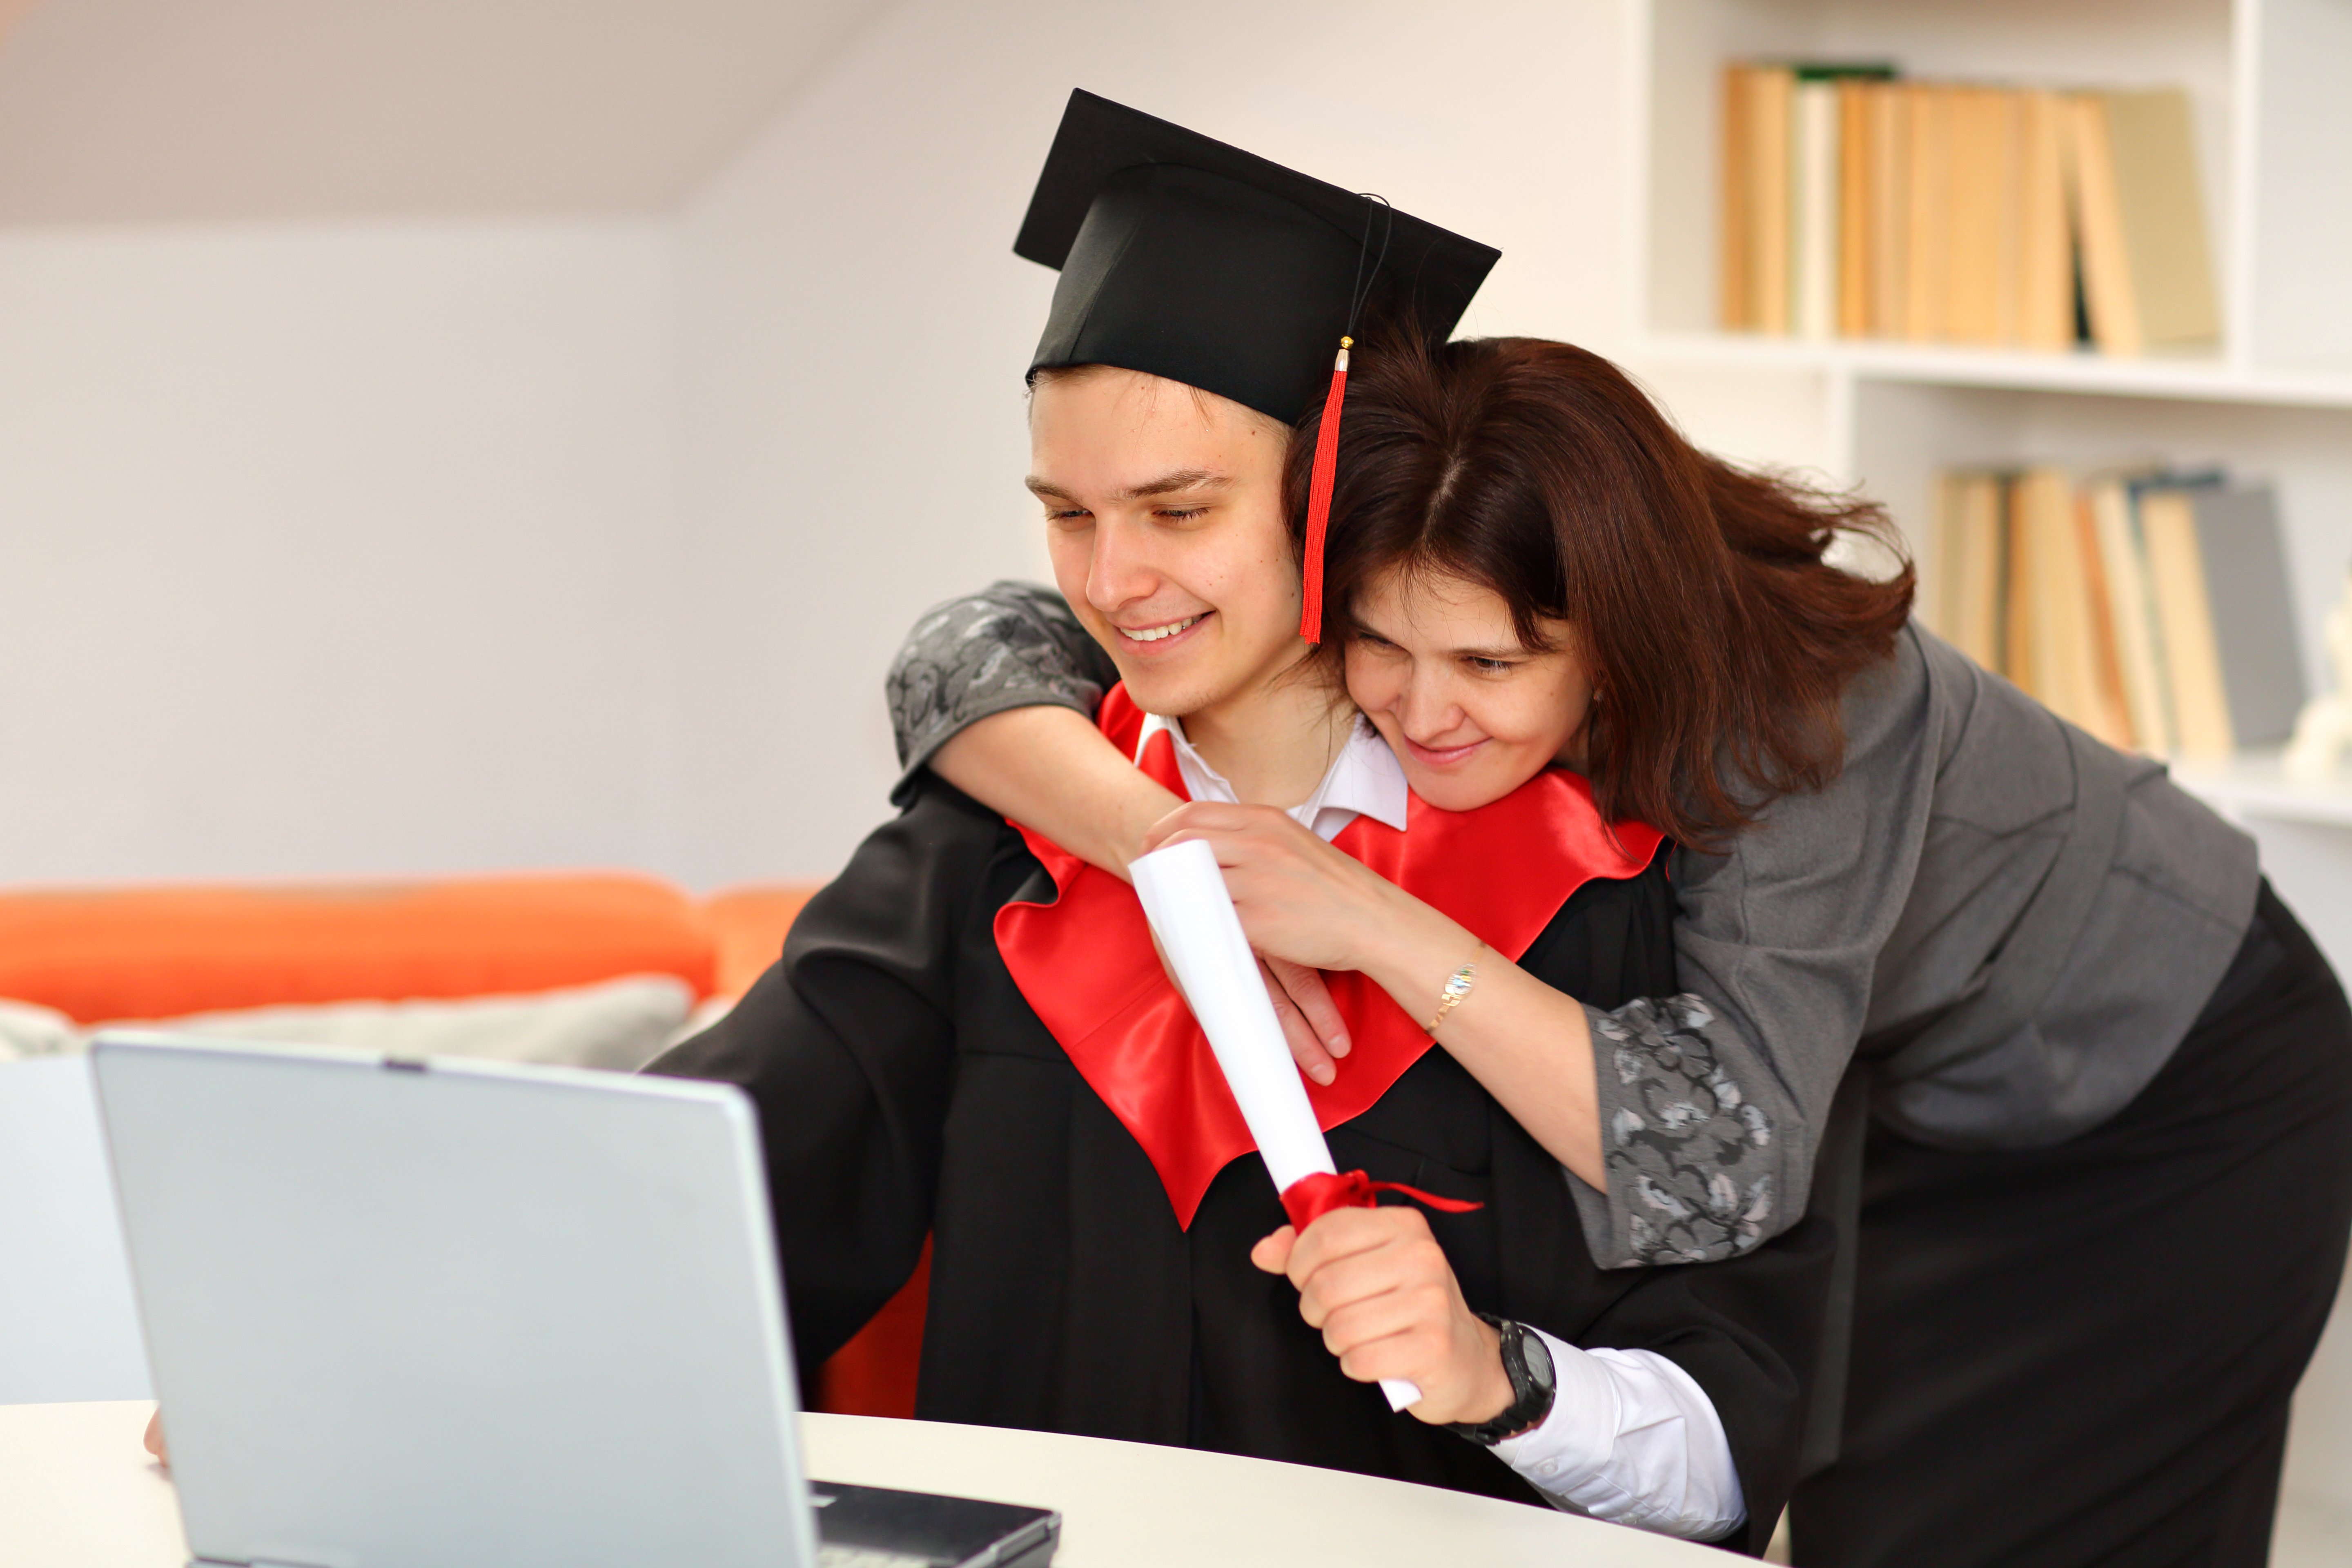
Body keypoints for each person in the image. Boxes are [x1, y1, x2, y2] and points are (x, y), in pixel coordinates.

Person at [884, 329, 2352, 1562]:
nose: (1417, 709)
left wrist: (1377, 923)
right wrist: (1158, 844)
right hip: (1893, 1099)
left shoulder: (1805, 728)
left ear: (1617, 631)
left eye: (1489, 666)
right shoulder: (1456, 572)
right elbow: (972, 648)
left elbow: (1725, 1161)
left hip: (2169, 1097)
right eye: (1378, 646)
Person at [653, 92, 1834, 1552]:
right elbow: (702, 1205)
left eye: (1179, 507)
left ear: (1335, 496)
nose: (1115, 577)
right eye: (1068, 515)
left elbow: (1726, 1455)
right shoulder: (1000, 852)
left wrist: (1499, 1377)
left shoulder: (1601, 893)